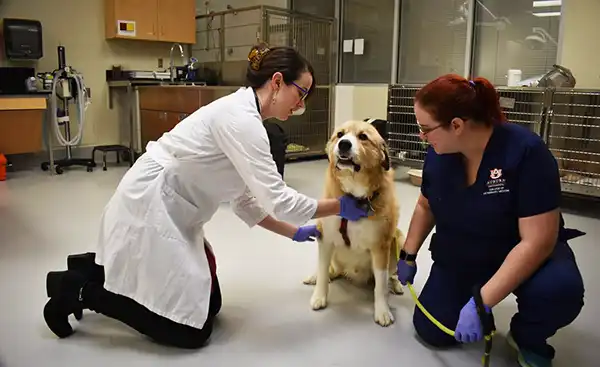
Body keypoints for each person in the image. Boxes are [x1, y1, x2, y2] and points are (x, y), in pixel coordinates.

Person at [43, 43, 372, 349]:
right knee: (191, 332)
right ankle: (79, 289)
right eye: (300, 94)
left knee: (209, 305)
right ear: (276, 82)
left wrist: (295, 232)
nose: (300, 105)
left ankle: (89, 268)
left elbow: (246, 203)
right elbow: (281, 201)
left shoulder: (248, 117)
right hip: (152, 204)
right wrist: (340, 206)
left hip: (176, 209)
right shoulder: (242, 122)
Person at [396, 74, 586, 367]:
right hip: (463, 253)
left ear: (457, 125)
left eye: (425, 128)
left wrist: (482, 302)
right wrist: (408, 254)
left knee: (559, 292)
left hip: (522, 252)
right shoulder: (439, 152)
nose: (421, 136)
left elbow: (538, 242)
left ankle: (527, 336)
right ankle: (474, 293)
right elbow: (426, 204)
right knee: (432, 330)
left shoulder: (526, 152)